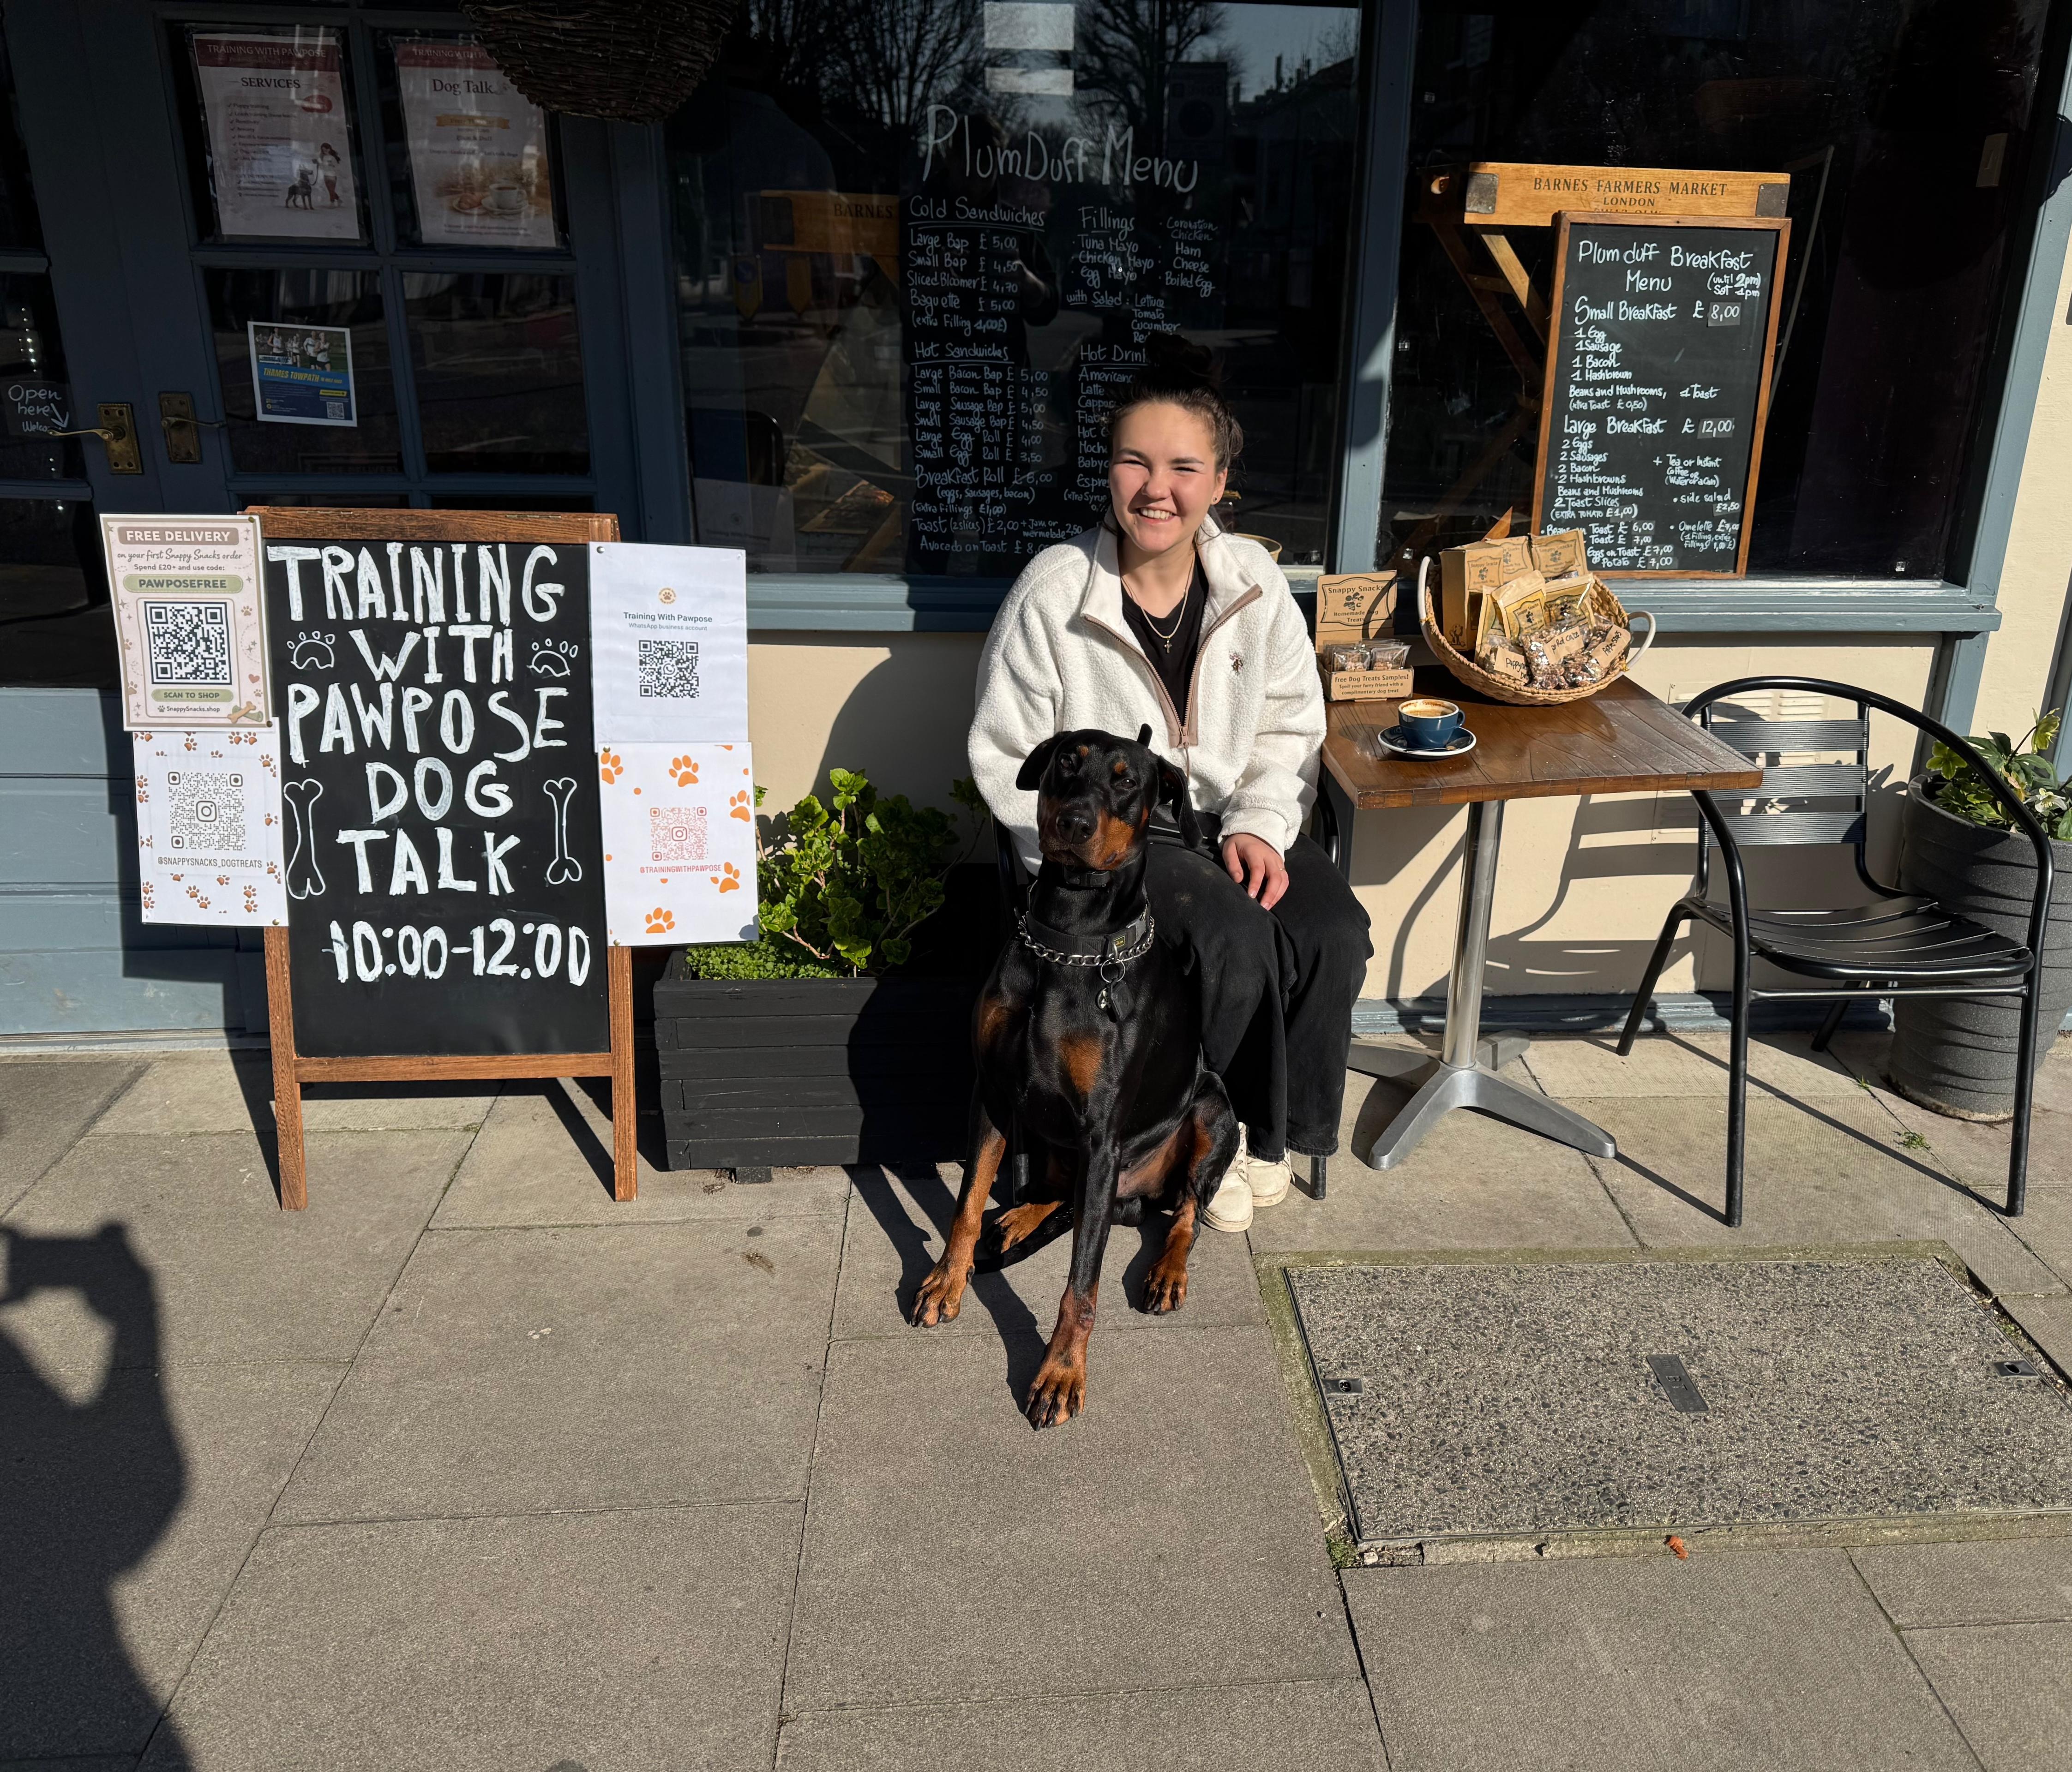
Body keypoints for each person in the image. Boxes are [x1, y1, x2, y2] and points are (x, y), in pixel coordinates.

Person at [968, 362, 1371, 1231]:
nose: (1157, 490)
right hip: (1116, 847)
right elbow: (1004, 754)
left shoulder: (1256, 587)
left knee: (1334, 932)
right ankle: (1190, 1139)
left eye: (1184, 468)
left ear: (1220, 482)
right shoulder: (1052, 592)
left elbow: (1292, 724)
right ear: (1107, 472)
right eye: (1133, 463)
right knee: (1228, 935)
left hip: (1235, 814)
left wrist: (1264, 823)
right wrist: (1086, 854)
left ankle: (1274, 1135)